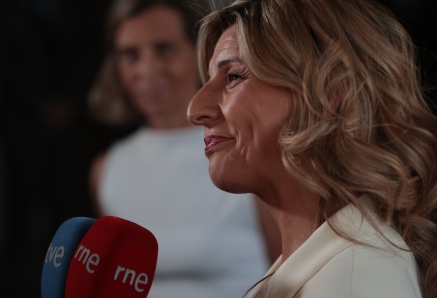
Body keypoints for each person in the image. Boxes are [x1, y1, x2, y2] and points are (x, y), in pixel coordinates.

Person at [187, 0, 437, 297]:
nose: (195, 109)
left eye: (233, 76)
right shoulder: (328, 267)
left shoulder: (357, 277)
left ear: (327, 93)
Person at [88, 0, 281, 297]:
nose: (148, 69)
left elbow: (293, 272)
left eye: (164, 49)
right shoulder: (107, 169)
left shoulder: (247, 150)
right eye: (131, 54)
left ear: (202, 53)